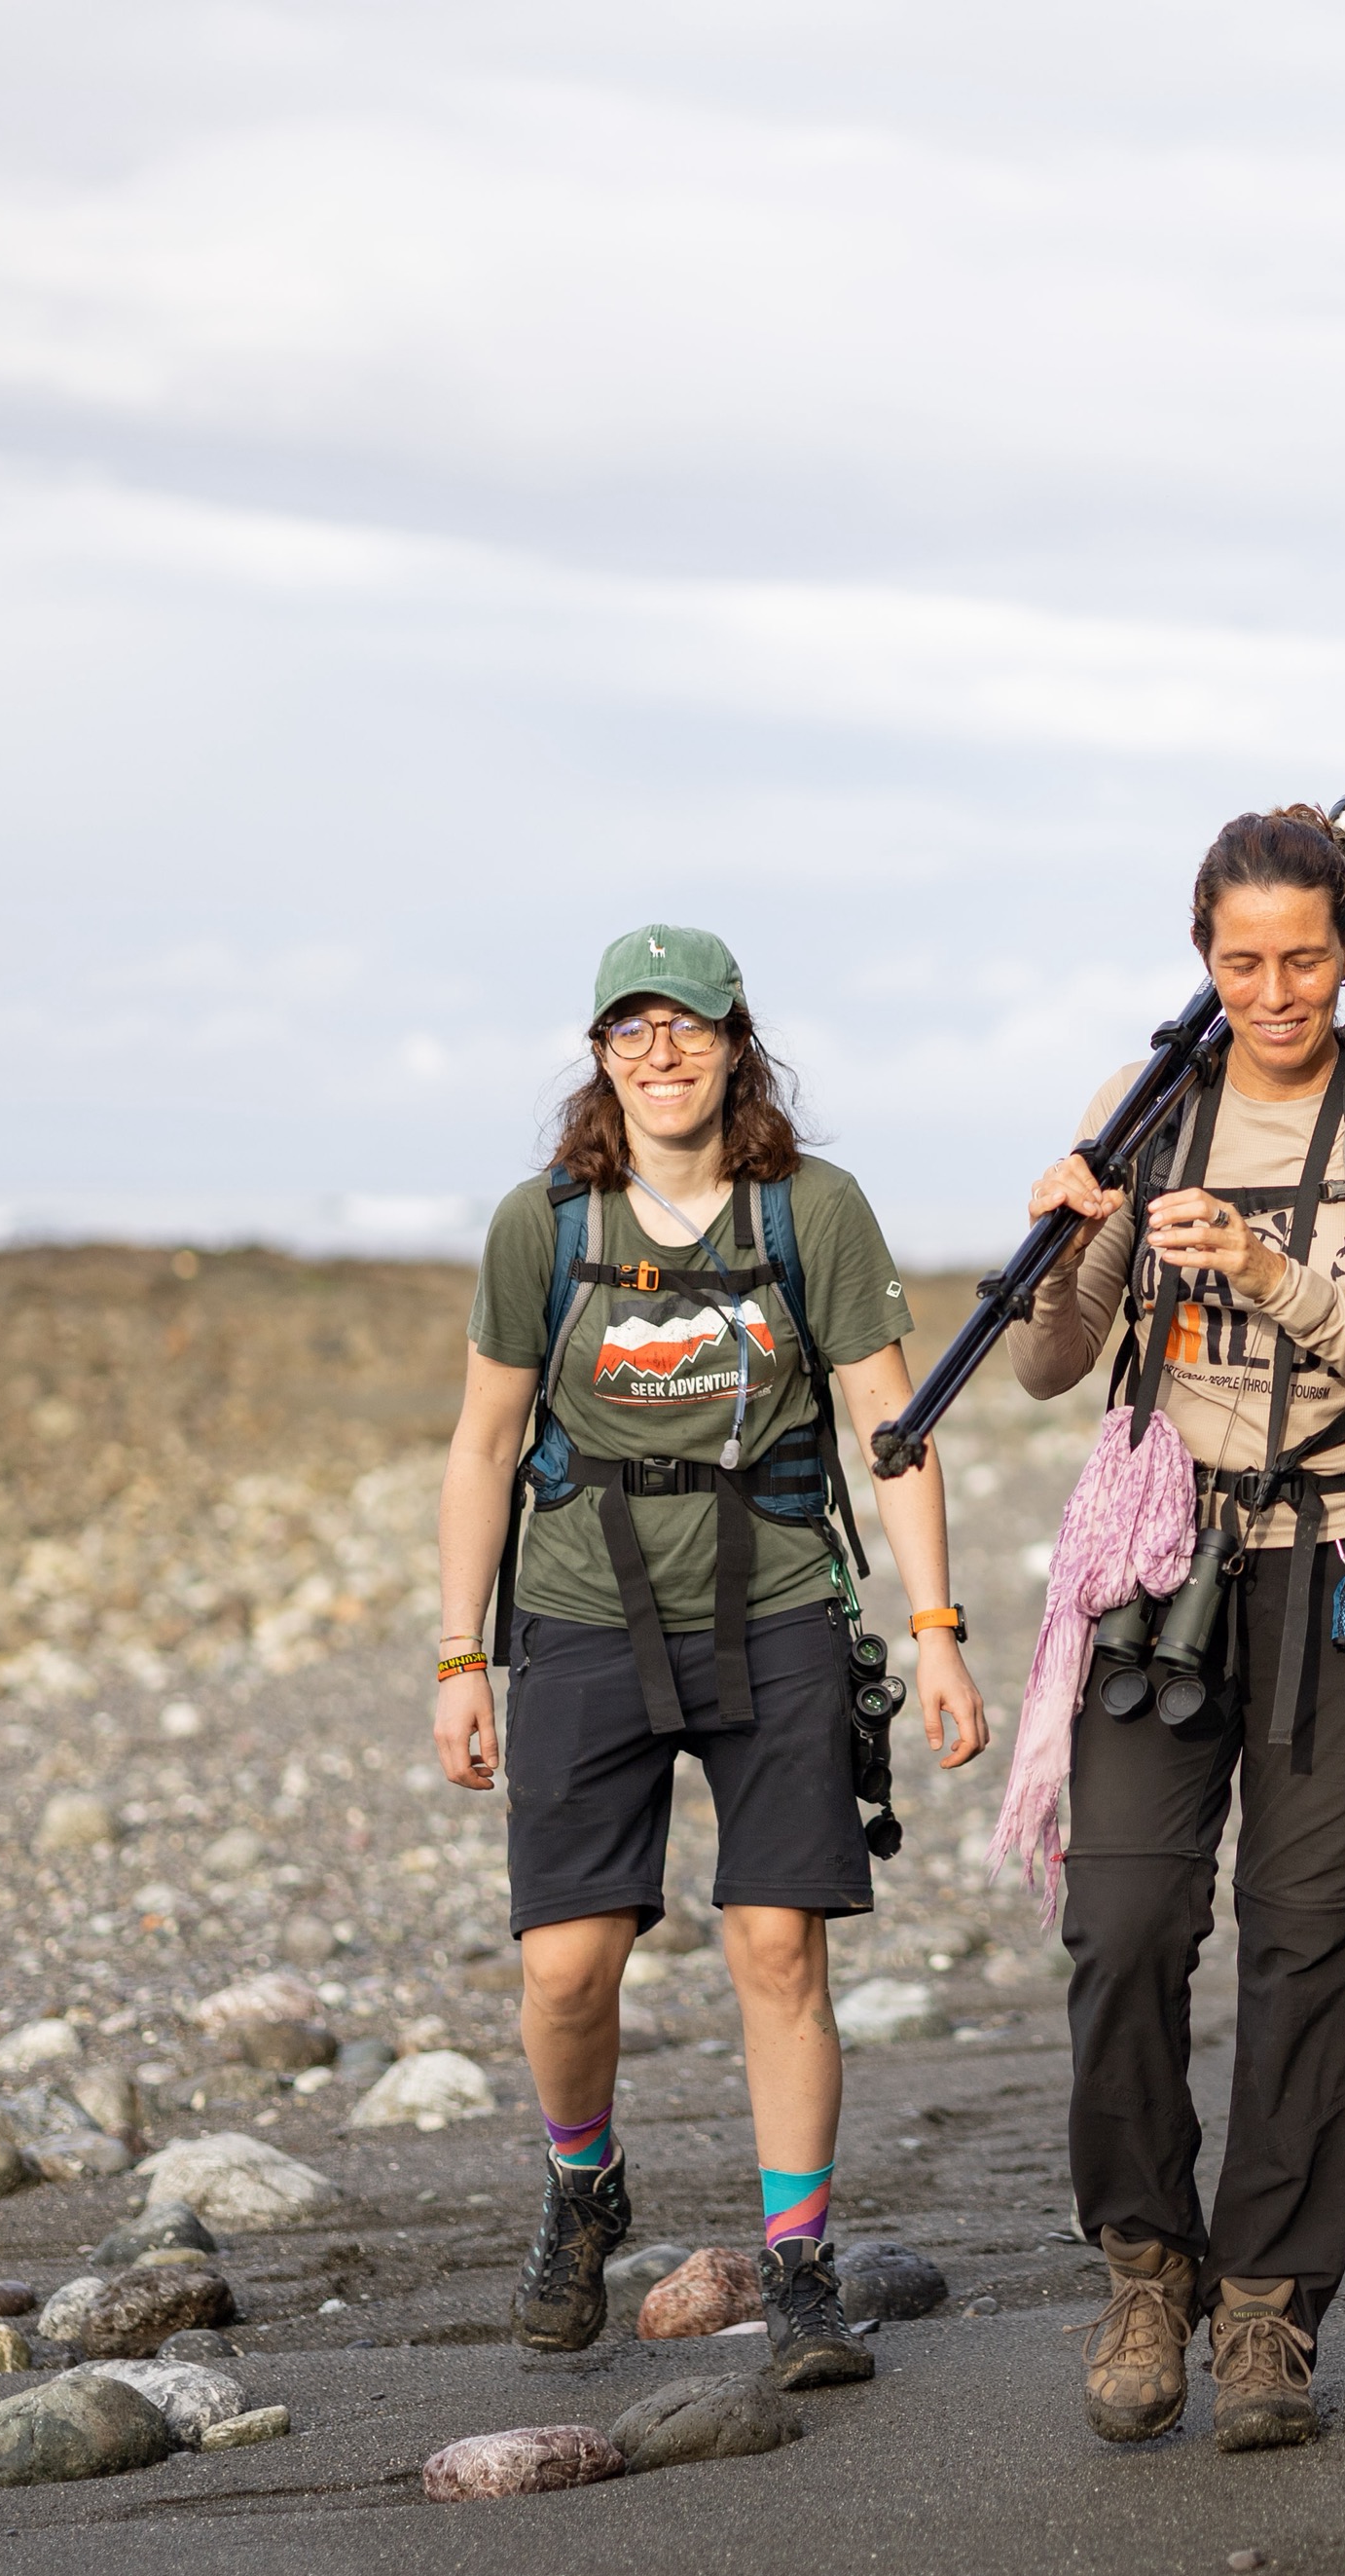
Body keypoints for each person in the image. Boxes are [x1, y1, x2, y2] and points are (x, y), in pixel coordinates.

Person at [1010, 806, 1345, 2451]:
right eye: (1243, 961)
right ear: (1203, 959)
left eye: (1305, 957)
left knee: (1308, 1942)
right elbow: (1048, 1371)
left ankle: (1267, 2318)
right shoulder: (1144, 1107)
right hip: (1164, 1559)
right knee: (1125, 1927)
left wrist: (1277, 1273)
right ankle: (1148, 2266)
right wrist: (1072, 1254)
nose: (1274, 989)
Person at [431, 924, 989, 2378]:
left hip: (781, 1602)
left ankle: (799, 2265)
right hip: (580, 1606)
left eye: (688, 1026)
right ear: (602, 1053)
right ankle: (580, 2188)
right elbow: (485, 1444)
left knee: (777, 1944)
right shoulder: (541, 1225)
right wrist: (454, 1658)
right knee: (565, 1966)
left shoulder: (815, 1207)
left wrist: (936, 1633)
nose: (661, 1052)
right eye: (632, 1028)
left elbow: (895, 1432)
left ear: (738, 1042)